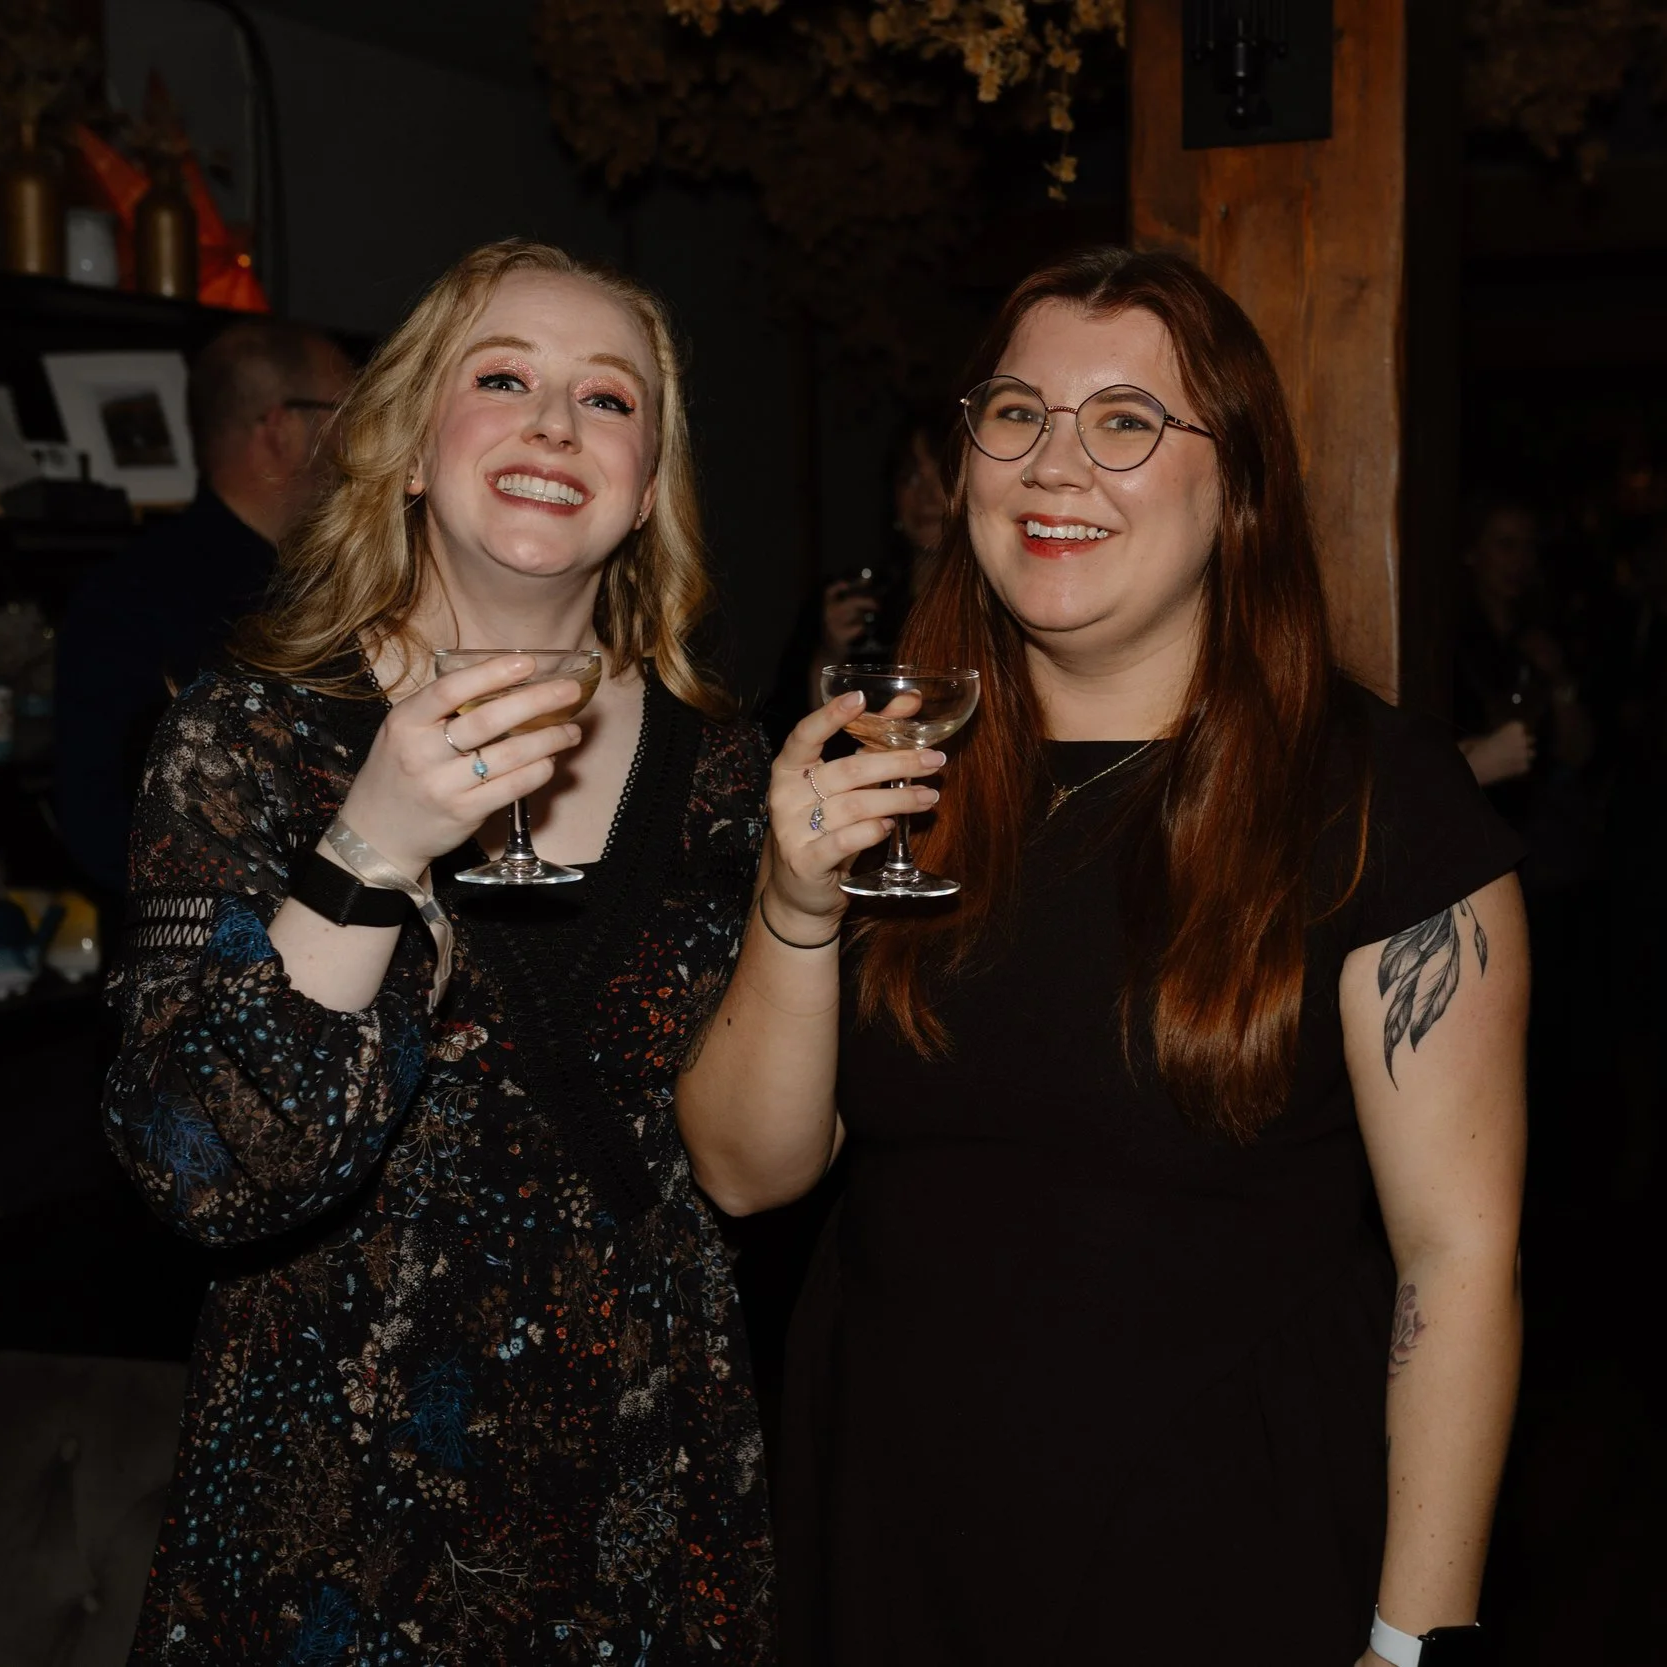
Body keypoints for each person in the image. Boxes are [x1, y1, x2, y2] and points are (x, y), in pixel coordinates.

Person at [677, 248, 1528, 1666]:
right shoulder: (894, 775)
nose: (1051, 464)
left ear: (1235, 483)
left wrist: (1409, 1643)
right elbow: (744, 1171)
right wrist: (794, 903)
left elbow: (1457, 1258)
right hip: (888, 1546)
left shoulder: (1375, 794)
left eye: (1124, 420)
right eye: (1014, 413)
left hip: (1216, 1560)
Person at [103, 240, 773, 1662]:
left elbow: (748, 1159)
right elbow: (200, 1169)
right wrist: (371, 844)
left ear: (645, 485)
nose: (555, 422)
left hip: (639, 1494)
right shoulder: (248, 735)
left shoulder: (722, 769)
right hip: (333, 1519)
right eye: (503, 379)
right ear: (411, 446)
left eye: (608, 398)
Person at [54, 318, 353, 897]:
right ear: (283, 428)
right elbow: (98, 822)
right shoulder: (131, 597)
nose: (363, 439)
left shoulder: (335, 581)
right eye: (346, 413)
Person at [759, 417, 948, 750]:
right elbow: (777, 733)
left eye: (944, 477)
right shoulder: (856, 600)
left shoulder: (1000, 604)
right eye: (911, 477)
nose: (926, 496)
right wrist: (828, 654)